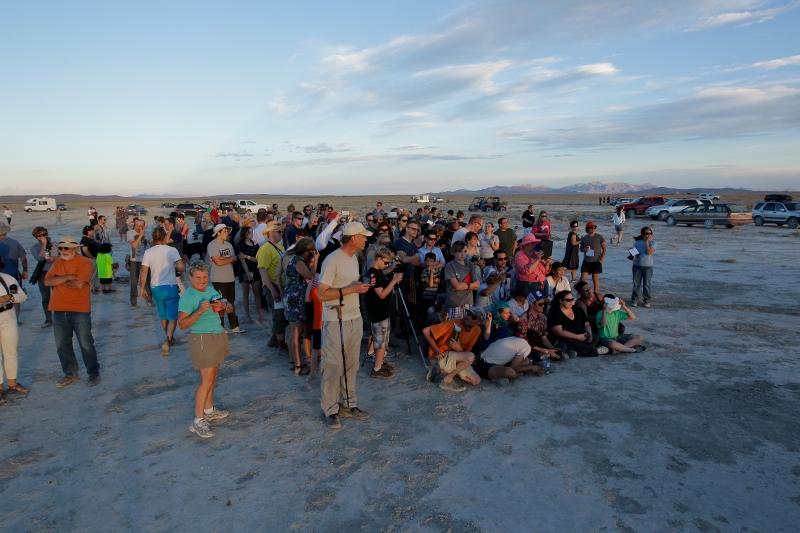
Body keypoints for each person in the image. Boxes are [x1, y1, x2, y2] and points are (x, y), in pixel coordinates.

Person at [317, 221, 373, 429]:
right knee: (333, 365)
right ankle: (331, 409)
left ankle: (349, 404)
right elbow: (322, 294)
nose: (366, 239)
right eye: (363, 236)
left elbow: (350, 285)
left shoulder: (354, 258)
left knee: (351, 364)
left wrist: (362, 286)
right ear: (354, 238)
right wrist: (352, 289)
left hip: (354, 317)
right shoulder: (332, 260)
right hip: (335, 320)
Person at [178, 261, 231, 439]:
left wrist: (224, 306)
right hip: (202, 338)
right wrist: (199, 311)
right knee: (206, 380)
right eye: (198, 277)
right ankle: (198, 420)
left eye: (205, 277)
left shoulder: (211, 290)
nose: (202, 281)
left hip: (217, 335)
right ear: (190, 277)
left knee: (213, 377)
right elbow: (182, 324)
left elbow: (228, 309)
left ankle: (209, 410)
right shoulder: (188, 296)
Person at [44, 237, 101, 387]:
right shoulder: (58, 263)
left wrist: (59, 280)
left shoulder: (85, 262)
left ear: (76, 248)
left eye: (66, 248)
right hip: (58, 308)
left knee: (85, 343)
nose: (63, 251)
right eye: (61, 248)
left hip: (79, 309)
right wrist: (68, 277)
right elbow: (47, 281)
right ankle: (70, 374)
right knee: (62, 344)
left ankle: (93, 372)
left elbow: (80, 284)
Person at [141, 227, 185, 355]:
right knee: (172, 315)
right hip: (170, 285)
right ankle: (168, 338)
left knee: (162, 313)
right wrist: (181, 267)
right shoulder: (172, 250)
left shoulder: (148, 252)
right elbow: (181, 267)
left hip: (155, 287)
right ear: (165, 237)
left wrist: (142, 288)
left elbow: (144, 272)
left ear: (153, 238)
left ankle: (168, 336)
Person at [277, 237, 317, 376]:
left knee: (292, 331)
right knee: (296, 333)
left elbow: (277, 274)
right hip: (296, 297)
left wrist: (281, 290)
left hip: (289, 295)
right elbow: (310, 275)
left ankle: (292, 362)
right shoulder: (297, 260)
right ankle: (298, 366)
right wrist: (316, 260)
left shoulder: (287, 256)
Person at [421, 306, 484, 391]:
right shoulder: (453, 324)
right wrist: (437, 350)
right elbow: (426, 331)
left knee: (476, 381)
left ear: (479, 322)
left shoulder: (477, 330)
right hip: (441, 356)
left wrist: (459, 349)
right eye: (468, 313)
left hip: (456, 357)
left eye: (473, 317)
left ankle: (438, 370)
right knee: (471, 357)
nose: (468, 317)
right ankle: (447, 379)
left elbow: (467, 351)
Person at [365, 246, 403, 379]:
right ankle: (377, 368)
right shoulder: (373, 273)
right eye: (386, 262)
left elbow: (382, 274)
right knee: (380, 342)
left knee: (382, 341)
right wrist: (394, 281)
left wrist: (390, 269)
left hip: (382, 311)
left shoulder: (377, 271)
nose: (387, 265)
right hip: (378, 312)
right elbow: (381, 294)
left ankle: (379, 363)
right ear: (378, 259)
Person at [207, 224, 244, 333]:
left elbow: (234, 259)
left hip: (230, 276)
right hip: (218, 278)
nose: (227, 234)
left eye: (227, 231)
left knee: (231, 302)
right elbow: (218, 262)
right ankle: (221, 327)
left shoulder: (229, 245)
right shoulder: (212, 245)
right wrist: (228, 259)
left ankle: (234, 326)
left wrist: (223, 259)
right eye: (224, 231)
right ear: (218, 233)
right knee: (220, 303)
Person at [0, 257, 29, 397]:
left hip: (7, 316)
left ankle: (12, 384)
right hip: (7, 317)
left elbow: (22, 296)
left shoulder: (7, 278)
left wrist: (9, 297)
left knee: (11, 352)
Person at [257, 220, 288, 349]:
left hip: (281, 284)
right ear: (270, 233)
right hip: (273, 286)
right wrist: (272, 290)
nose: (281, 233)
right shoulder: (265, 249)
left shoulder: (280, 246)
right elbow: (262, 271)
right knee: (278, 315)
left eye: (282, 231)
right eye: (278, 231)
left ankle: (275, 338)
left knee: (283, 314)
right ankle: (281, 344)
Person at [547, 290, 606, 357]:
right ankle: (594, 351)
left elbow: (586, 324)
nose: (571, 302)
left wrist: (589, 333)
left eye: (572, 299)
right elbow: (558, 332)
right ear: (561, 301)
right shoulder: (554, 312)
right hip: (566, 337)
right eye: (568, 300)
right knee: (569, 342)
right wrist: (577, 337)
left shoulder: (578, 310)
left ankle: (575, 351)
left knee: (595, 337)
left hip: (581, 336)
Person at [444, 241, 481, 319]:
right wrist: (470, 285)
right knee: (455, 325)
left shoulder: (470, 265)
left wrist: (462, 286)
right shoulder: (450, 266)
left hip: (468, 303)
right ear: (454, 252)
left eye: (465, 251)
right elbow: (457, 286)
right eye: (460, 251)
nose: (463, 254)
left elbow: (477, 285)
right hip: (455, 304)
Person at [235, 225, 265, 324]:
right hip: (244, 271)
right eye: (250, 232)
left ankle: (260, 314)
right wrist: (248, 274)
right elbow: (241, 260)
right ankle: (248, 315)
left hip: (255, 270)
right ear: (245, 234)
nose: (252, 234)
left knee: (257, 293)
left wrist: (247, 256)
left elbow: (257, 259)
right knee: (246, 293)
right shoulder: (240, 245)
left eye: (252, 232)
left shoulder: (255, 244)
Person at [30, 227, 59, 327]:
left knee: (58, 295)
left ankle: (59, 316)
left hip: (56, 273)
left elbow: (62, 257)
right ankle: (48, 318)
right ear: (36, 237)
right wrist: (44, 245)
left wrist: (53, 258)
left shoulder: (55, 244)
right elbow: (40, 258)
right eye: (39, 235)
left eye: (44, 234)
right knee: (46, 297)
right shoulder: (34, 247)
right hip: (43, 274)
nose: (42, 237)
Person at [0, 223, 28, 319]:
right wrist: (25, 271)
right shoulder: (15, 242)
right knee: (15, 296)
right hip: (14, 273)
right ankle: (16, 319)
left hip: (1, 275)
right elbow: (23, 258)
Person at [128, 219, 153, 309]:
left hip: (146, 261)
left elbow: (152, 246)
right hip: (135, 260)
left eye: (140, 226)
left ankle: (149, 300)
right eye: (136, 225)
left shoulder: (148, 234)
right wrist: (141, 235)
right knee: (134, 282)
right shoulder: (130, 233)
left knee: (147, 281)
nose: (138, 227)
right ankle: (134, 302)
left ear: (144, 226)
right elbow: (134, 245)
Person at [631, 227, 656, 308]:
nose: (649, 235)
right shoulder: (637, 242)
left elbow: (649, 252)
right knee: (636, 284)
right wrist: (632, 252)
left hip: (648, 266)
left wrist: (647, 243)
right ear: (642, 234)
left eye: (650, 233)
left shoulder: (653, 242)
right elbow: (632, 254)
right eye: (647, 233)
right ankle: (635, 300)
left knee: (646, 284)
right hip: (637, 266)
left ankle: (647, 300)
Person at [579, 221, 606, 293]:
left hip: (596, 261)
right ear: (587, 229)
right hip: (587, 261)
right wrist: (585, 249)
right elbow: (581, 249)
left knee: (595, 278)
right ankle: (581, 292)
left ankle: (595, 292)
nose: (593, 229)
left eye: (594, 227)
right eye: (591, 228)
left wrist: (601, 259)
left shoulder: (599, 237)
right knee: (582, 278)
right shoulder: (585, 238)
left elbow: (604, 249)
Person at [80, 225, 101, 294]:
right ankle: (90, 287)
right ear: (87, 231)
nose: (92, 232)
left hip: (96, 257)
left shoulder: (90, 238)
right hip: (90, 258)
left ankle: (96, 286)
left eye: (92, 230)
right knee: (92, 273)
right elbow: (85, 250)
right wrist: (91, 257)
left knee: (97, 273)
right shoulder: (85, 240)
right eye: (91, 231)